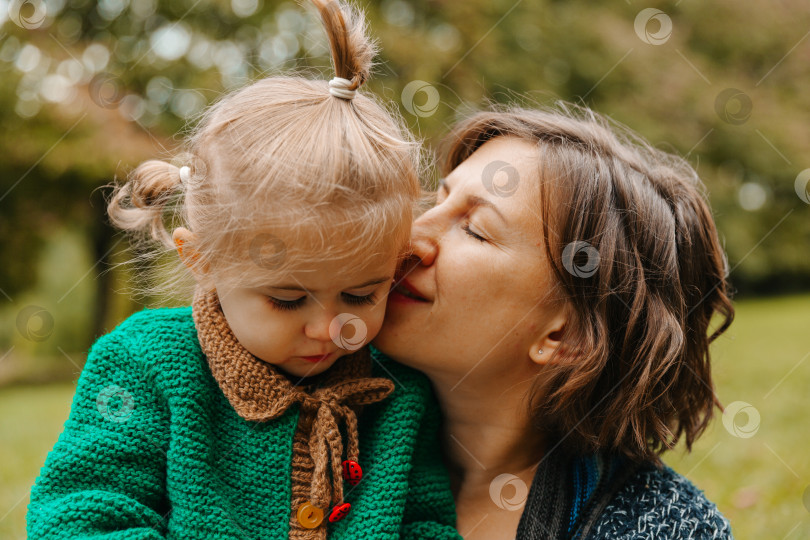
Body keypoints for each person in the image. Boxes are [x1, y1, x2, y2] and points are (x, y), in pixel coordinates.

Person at [25, 1, 460, 538]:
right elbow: (82, 515)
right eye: (287, 299)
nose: (330, 328)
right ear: (201, 260)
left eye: (361, 295)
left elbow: (426, 524)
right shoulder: (147, 363)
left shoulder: (398, 395)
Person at [373, 103, 736, 539]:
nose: (410, 237)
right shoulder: (310, 424)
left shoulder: (665, 528)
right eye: (438, 198)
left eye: (475, 229)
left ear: (567, 336)